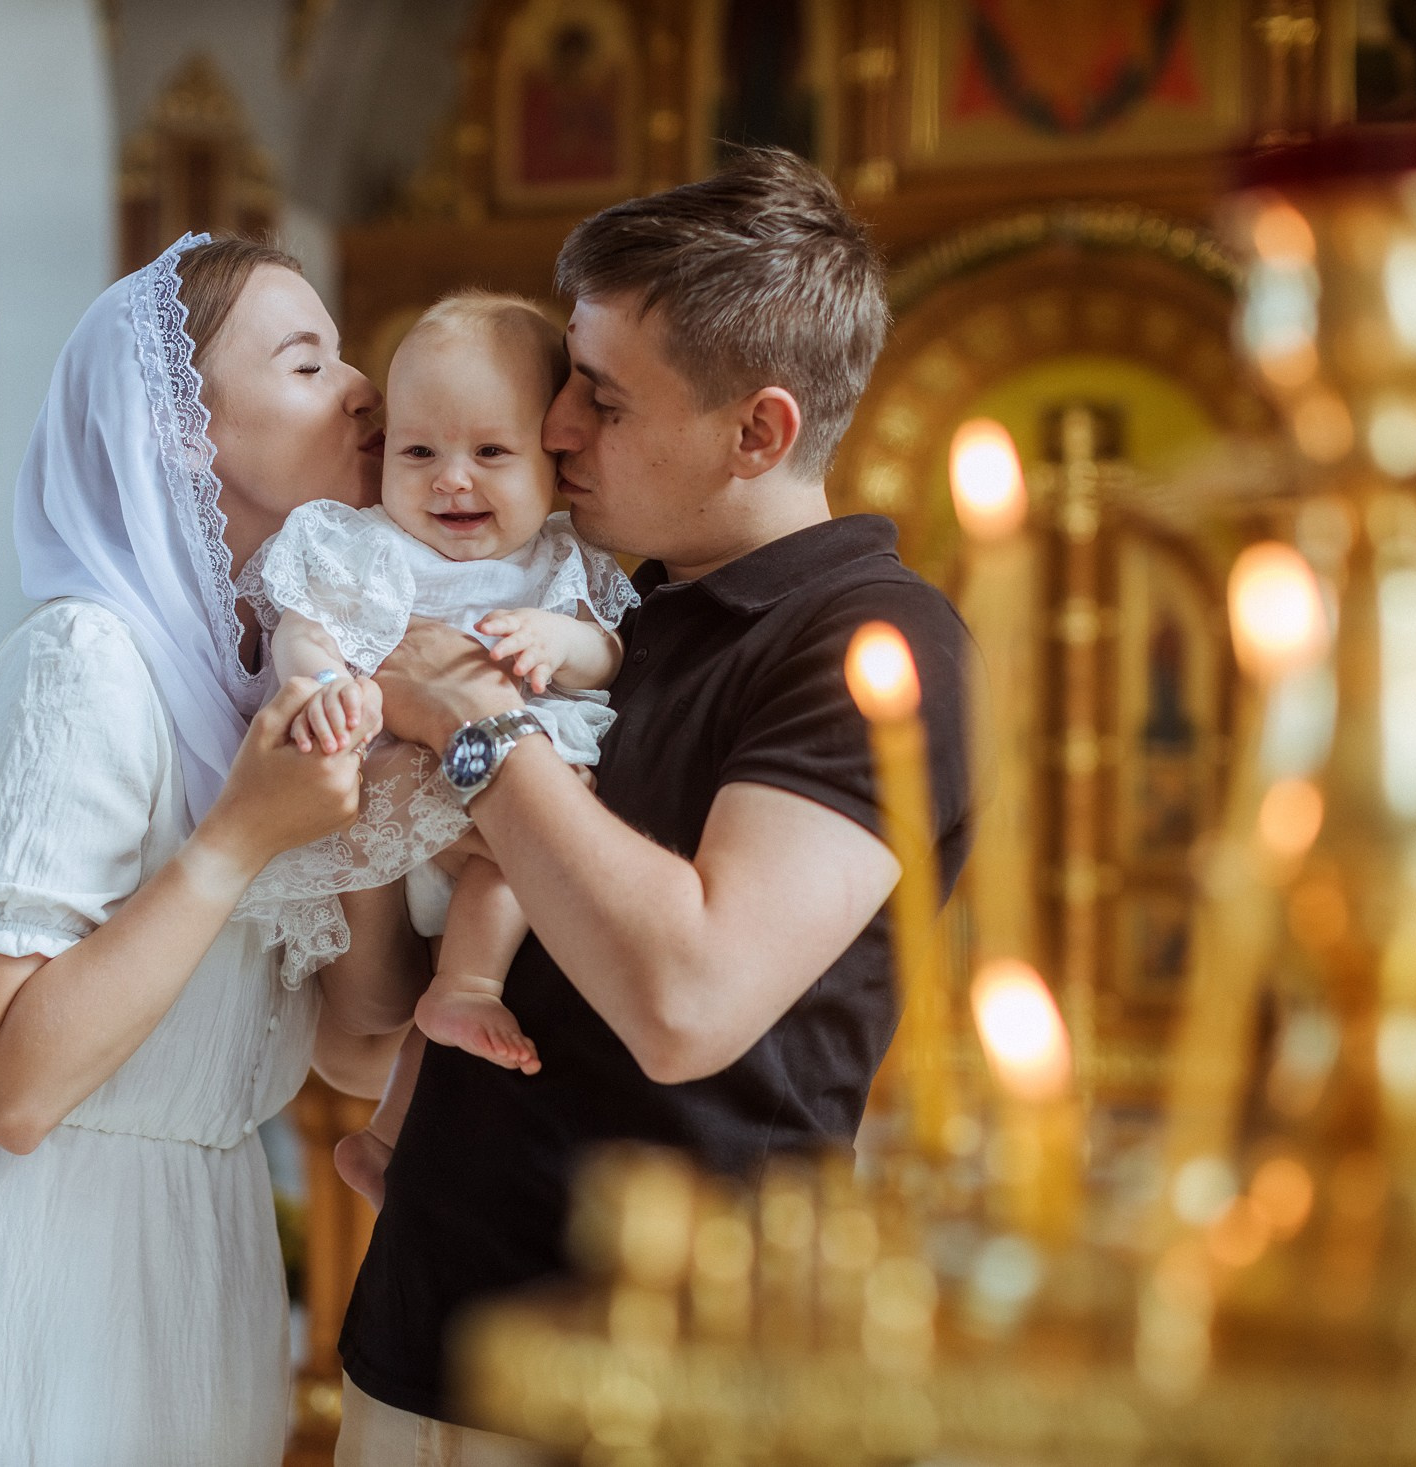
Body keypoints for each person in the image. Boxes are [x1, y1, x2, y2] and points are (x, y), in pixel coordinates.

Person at [335, 149, 975, 1462]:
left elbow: (688, 1001)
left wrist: (465, 721)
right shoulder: (616, 615)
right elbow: (368, 1028)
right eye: (569, 375)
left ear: (762, 431)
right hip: (425, 1327)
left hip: (667, 1379)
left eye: (605, 398)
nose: (558, 423)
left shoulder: (870, 641)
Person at [0, 234, 417, 1466]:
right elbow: (15, 1084)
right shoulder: (84, 664)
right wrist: (237, 839)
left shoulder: (256, 688)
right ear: (181, 436)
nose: (364, 387)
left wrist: (375, 801)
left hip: (202, 1263)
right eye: (309, 365)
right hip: (39, 1278)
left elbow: (358, 1046)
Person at [240, 291, 637, 1202]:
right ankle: (435, 1027)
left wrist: (556, 640)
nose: (451, 480)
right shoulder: (360, 544)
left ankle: (398, 1116)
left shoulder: (564, 559)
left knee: (512, 884)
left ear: (554, 459)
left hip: (496, 833)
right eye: (419, 451)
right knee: (492, 879)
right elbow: (308, 628)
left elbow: (605, 647)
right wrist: (316, 680)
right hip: (383, 810)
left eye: (492, 453)